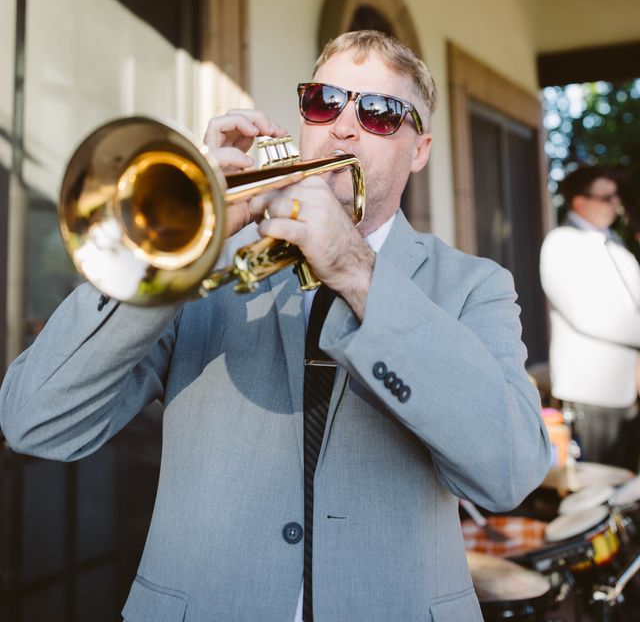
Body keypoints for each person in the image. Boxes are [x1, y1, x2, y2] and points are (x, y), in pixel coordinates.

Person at [0, 30, 550, 622]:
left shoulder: (473, 286)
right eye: (324, 102)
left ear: (420, 149)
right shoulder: (197, 273)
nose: (343, 127)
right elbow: (36, 421)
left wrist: (357, 271)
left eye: (380, 112)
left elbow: (509, 471)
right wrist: (173, 245)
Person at [540, 165, 640, 470]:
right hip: (590, 390)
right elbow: (589, 314)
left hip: (627, 389)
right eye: (606, 197)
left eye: (615, 196)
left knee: (626, 480)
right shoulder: (562, 242)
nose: (615, 204)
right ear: (580, 202)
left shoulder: (616, 243)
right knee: (598, 480)